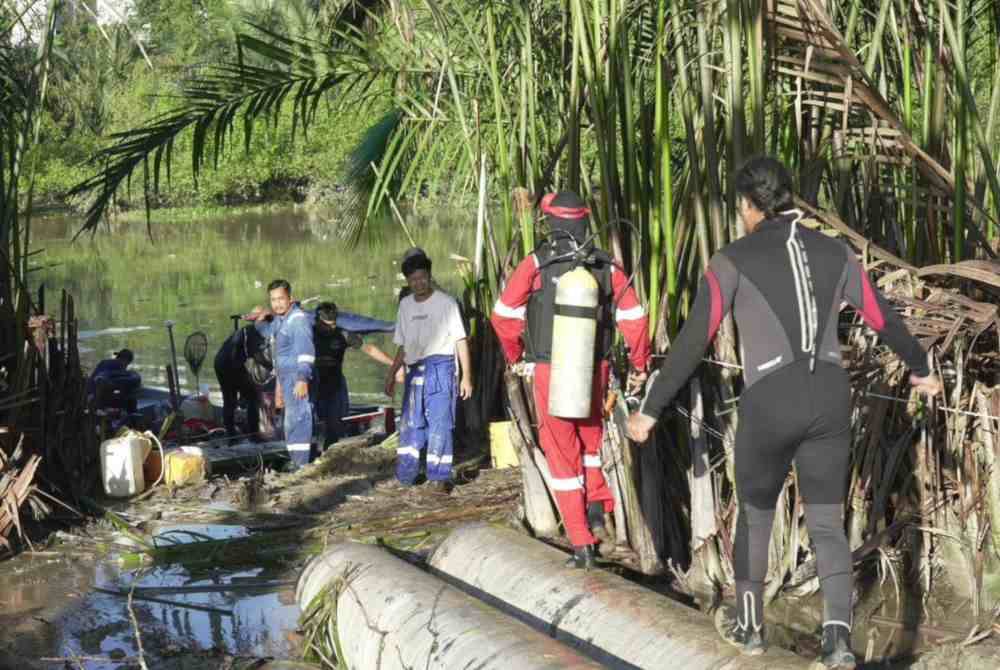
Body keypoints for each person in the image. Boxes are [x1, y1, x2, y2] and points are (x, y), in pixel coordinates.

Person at [626, 157, 942, 667]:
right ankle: (837, 643)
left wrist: (649, 410)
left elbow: (691, 340)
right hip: (830, 398)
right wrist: (920, 367)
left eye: (740, 208)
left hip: (770, 401)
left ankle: (750, 628)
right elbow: (881, 315)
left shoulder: (731, 260)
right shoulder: (835, 252)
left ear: (749, 207)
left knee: (755, 515)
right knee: (825, 523)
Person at [490, 191, 652, 569]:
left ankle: (582, 543)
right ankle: (600, 507)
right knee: (592, 442)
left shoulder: (536, 263)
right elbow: (635, 318)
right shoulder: (607, 266)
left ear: (551, 222)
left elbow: (503, 316)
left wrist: (516, 356)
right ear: (585, 221)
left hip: (552, 371)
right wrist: (641, 363)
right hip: (597, 370)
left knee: (563, 457)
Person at [385, 248, 473, 491]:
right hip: (414, 370)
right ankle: (407, 475)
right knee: (411, 424)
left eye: (422, 278)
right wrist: (392, 373)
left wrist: (466, 376)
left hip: (441, 368)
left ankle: (439, 476)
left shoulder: (446, 303)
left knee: (441, 422)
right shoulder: (405, 305)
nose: (418, 283)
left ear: (429, 276)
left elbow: (460, 340)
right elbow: (403, 345)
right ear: (408, 281)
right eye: (413, 280)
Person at [312, 301, 397, 448]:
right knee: (315, 424)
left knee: (334, 426)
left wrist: (395, 366)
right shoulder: (307, 334)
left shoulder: (342, 334)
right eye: (326, 325)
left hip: (334, 385)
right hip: (313, 384)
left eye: (333, 324)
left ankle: (329, 451)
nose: (331, 328)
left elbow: (369, 349)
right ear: (317, 321)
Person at [250, 279, 316, 468]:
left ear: (291, 298)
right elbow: (268, 331)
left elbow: (306, 353)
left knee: (299, 421)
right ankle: (297, 462)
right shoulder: (281, 320)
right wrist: (259, 321)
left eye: (281, 299)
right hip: (286, 378)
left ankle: (302, 466)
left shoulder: (297, 320)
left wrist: (302, 379)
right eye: (273, 300)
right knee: (290, 423)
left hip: (297, 377)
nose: (277, 303)